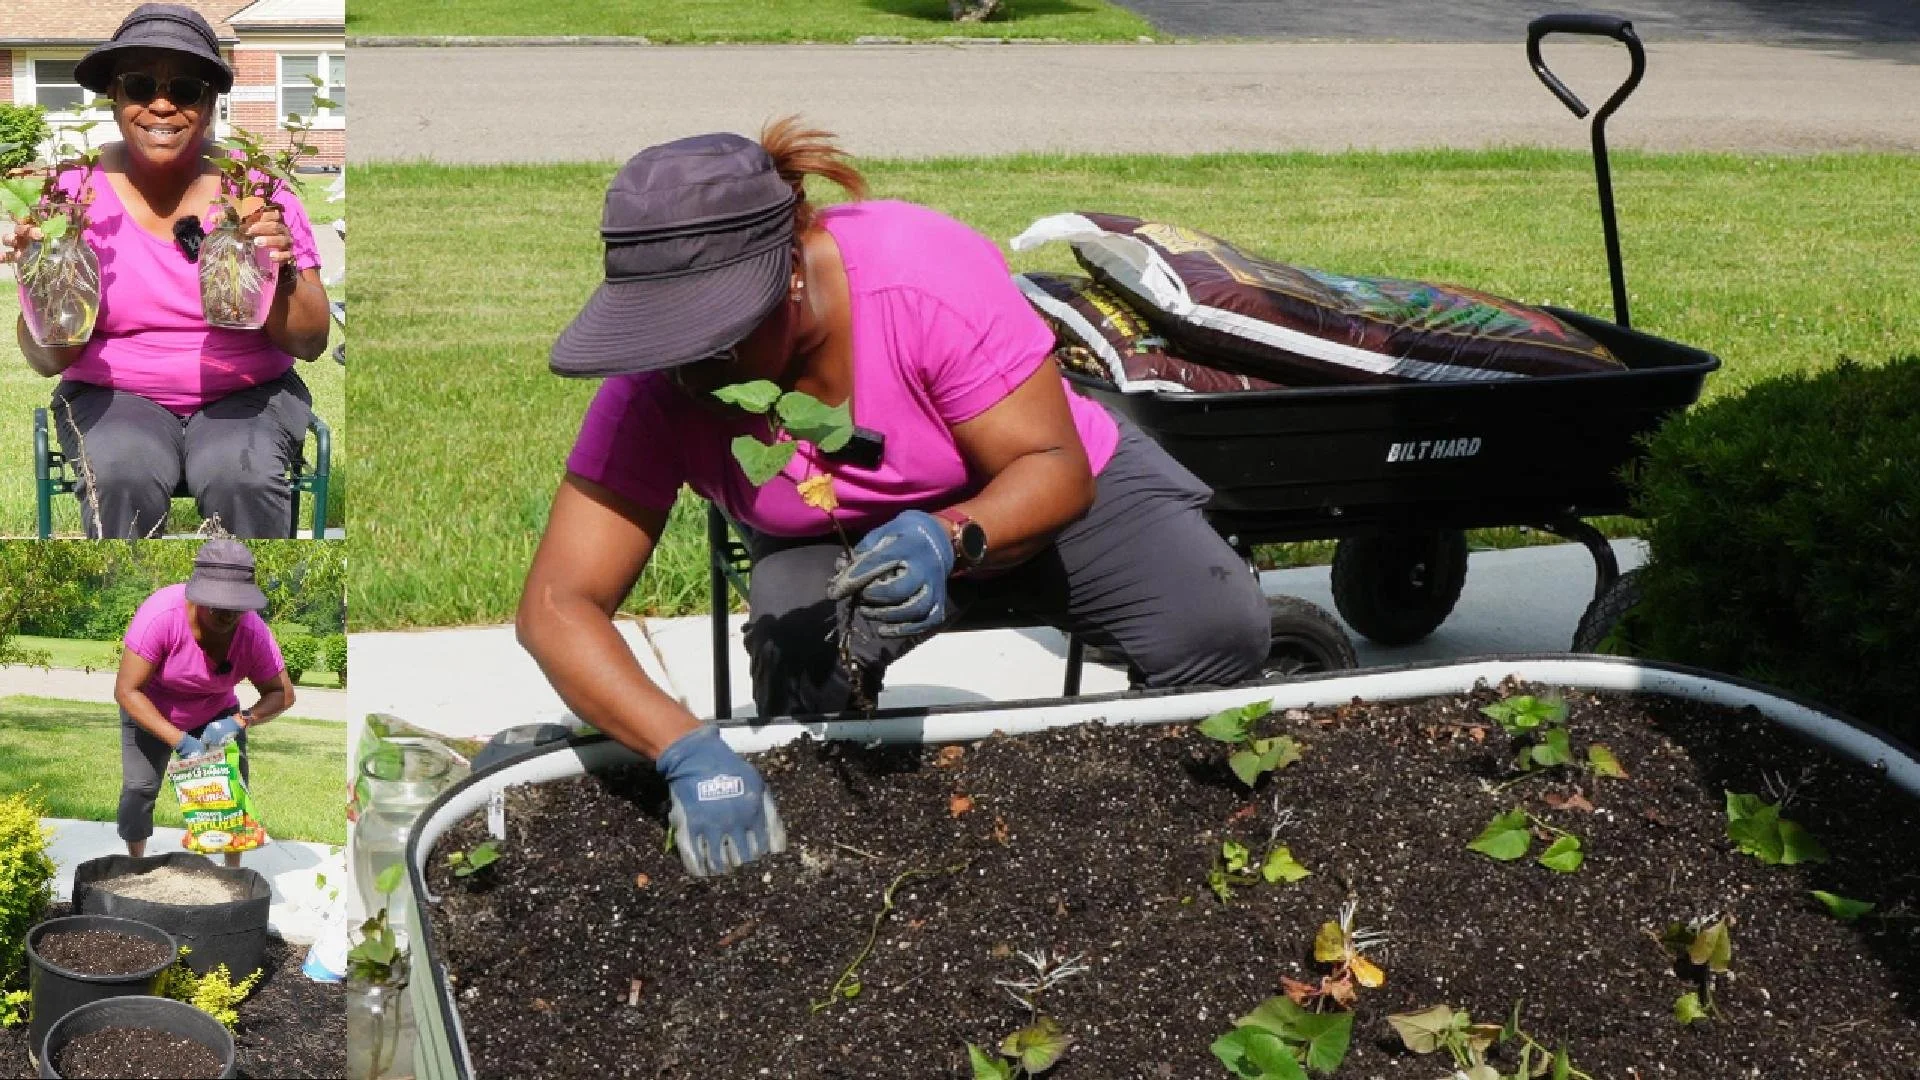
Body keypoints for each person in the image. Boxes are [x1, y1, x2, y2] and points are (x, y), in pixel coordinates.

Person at [517, 119, 1271, 879]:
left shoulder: (918, 276)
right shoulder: (658, 384)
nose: (690, 372)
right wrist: (683, 747)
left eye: (717, 337)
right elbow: (557, 605)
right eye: (668, 342)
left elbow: (1053, 466)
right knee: (802, 674)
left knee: (1214, 622)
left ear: (790, 275)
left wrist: (947, 535)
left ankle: (1171, 839)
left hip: (1035, 491)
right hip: (831, 541)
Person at [1, 4, 331, 538]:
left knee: (238, 477)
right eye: (139, 85)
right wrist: (39, 284)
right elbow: (47, 360)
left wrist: (282, 270)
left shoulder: (256, 191)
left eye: (184, 89)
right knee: (119, 470)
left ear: (210, 103)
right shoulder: (71, 195)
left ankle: (246, 608)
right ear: (114, 96)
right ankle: (131, 606)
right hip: (114, 395)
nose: (161, 104)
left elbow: (312, 341)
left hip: (248, 394)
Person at [114, 539, 295, 867]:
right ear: (197, 596)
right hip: (151, 708)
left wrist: (240, 720)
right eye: (218, 605)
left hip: (216, 712)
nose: (228, 614)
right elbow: (127, 691)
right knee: (139, 788)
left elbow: (282, 693)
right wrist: (180, 741)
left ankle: (232, 874)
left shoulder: (253, 633)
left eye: (236, 606)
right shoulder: (161, 616)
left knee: (227, 794)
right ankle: (136, 866)